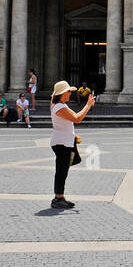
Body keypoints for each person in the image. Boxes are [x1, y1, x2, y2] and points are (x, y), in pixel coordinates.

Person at [49, 80, 94, 210]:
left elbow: (65, 122)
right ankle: (58, 198)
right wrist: (88, 105)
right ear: (62, 93)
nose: (70, 93)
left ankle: (60, 197)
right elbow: (77, 118)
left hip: (64, 141)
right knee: (62, 171)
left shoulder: (59, 105)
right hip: (62, 143)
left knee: (65, 168)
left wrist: (71, 134)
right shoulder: (59, 107)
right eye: (68, 91)